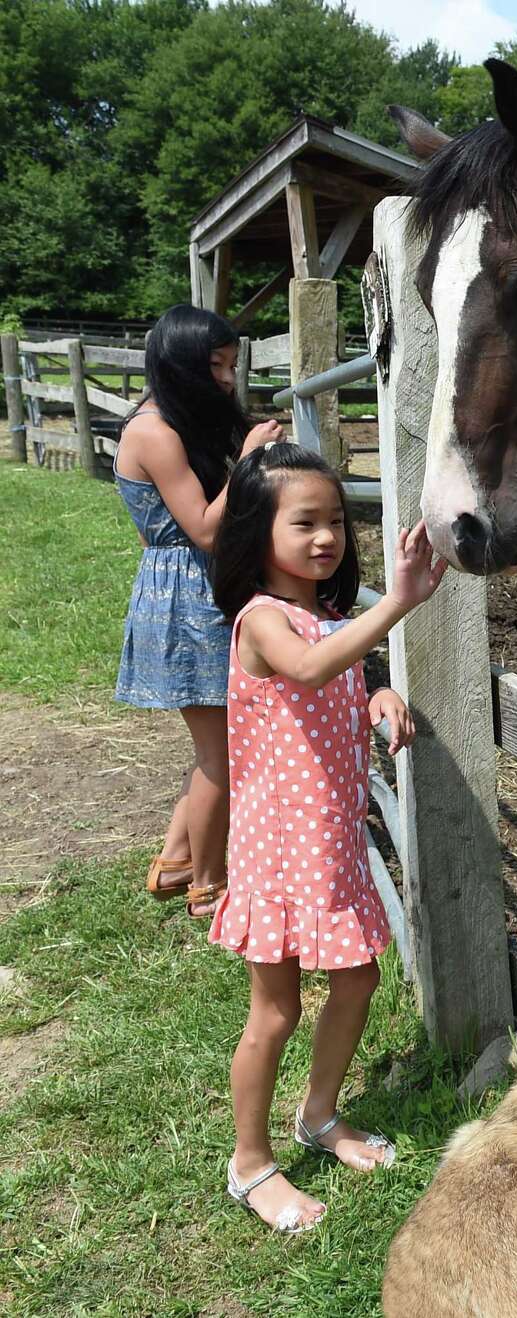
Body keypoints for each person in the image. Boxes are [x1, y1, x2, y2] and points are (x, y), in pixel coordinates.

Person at [207, 441, 447, 1233]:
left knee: (357, 981)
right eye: (304, 521)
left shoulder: (325, 618)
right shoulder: (263, 620)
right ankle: (250, 1163)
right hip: (279, 850)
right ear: (255, 530)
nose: (326, 537)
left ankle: (317, 1114)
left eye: (336, 521)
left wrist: (376, 695)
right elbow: (305, 670)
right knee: (274, 1011)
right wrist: (400, 603)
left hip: (330, 840)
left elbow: (336, 673)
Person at [114, 304, 282, 917]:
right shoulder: (153, 432)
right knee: (223, 754)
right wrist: (248, 463)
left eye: (233, 364)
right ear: (182, 365)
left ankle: (177, 862)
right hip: (189, 597)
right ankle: (210, 886)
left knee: (219, 746)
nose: (228, 379)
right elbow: (206, 531)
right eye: (216, 366)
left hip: (196, 591)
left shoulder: (176, 423)